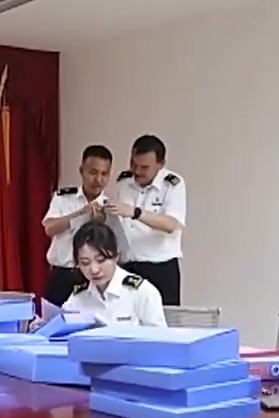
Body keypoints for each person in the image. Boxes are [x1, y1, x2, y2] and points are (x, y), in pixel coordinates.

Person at [104, 134, 186, 306]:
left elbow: (172, 224)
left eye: (144, 167)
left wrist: (136, 212)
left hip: (160, 267)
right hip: (128, 267)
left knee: (163, 318)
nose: (137, 171)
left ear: (161, 164)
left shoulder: (172, 185)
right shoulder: (123, 182)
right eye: (133, 164)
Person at [40, 145, 114, 303]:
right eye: (93, 172)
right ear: (82, 171)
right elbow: (49, 229)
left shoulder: (110, 207)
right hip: (63, 273)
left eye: (104, 174)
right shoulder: (64, 198)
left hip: (93, 276)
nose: (98, 180)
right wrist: (80, 214)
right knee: (54, 315)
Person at [60, 221, 167, 327]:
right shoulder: (78, 297)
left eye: (101, 260)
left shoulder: (142, 292)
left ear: (116, 256)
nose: (94, 270)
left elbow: (159, 336)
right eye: (85, 263)